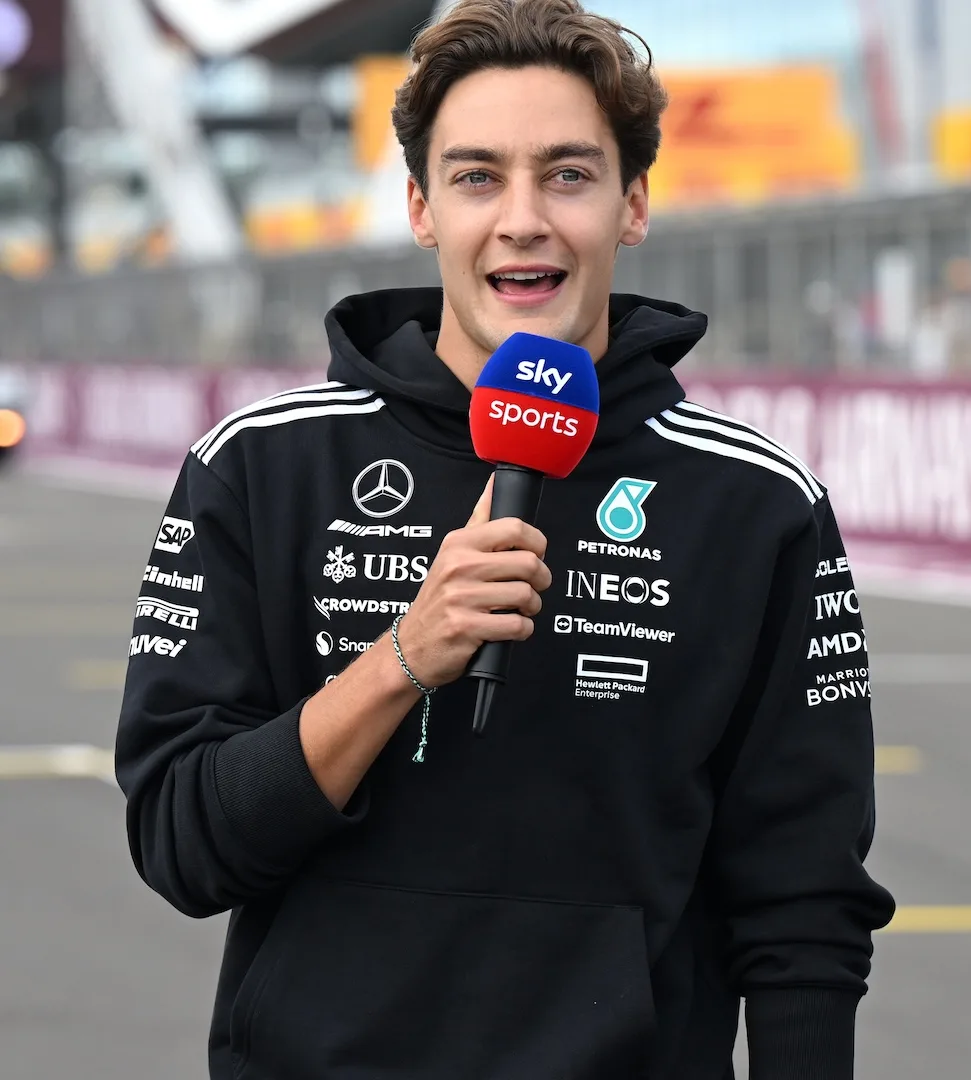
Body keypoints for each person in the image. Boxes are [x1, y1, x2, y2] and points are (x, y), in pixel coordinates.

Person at [114, 2, 892, 1077]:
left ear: (633, 204)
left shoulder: (757, 503)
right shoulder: (260, 465)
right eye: (478, 177)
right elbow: (183, 845)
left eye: (567, 175)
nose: (523, 219)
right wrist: (401, 658)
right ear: (421, 208)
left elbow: (804, 901)